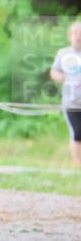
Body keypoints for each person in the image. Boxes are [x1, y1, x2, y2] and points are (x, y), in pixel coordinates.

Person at [50, 21, 81, 166]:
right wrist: (60, 77)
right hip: (71, 101)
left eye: (80, 33)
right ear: (70, 36)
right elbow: (54, 71)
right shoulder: (63, 54)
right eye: (75, 33)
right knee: (77, 132)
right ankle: (77, 165)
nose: (78, 36)